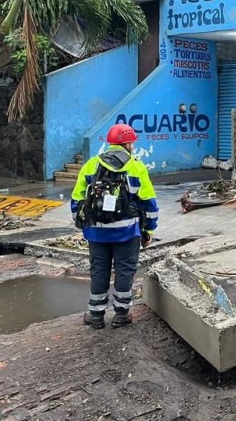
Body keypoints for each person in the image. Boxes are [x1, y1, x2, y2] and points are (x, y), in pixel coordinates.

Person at [71, 123, 159, 329]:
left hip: (96, 233)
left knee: (99, 270)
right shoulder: (136, 167)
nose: (134, 147)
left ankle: (96, 315)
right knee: (125, 270)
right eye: (133, 144)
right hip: (127, 233)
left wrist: (84, 226)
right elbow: (149, 204)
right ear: (127, 144)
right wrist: (149, 230)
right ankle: (121, 314)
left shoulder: (91, 165)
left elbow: (76, 199)